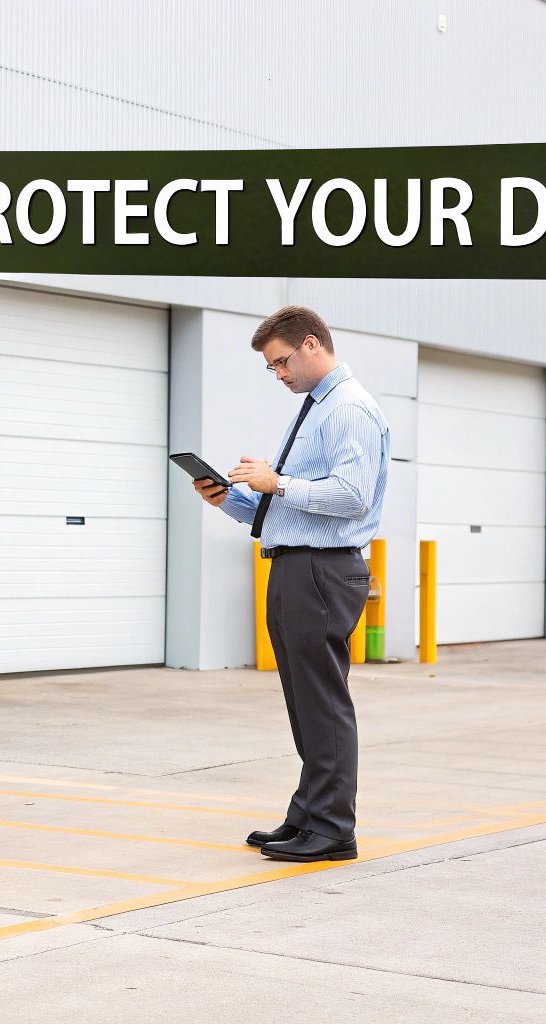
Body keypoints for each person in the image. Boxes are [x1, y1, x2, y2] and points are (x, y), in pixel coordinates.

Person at [192, 305, 389, 863]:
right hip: (297, 564)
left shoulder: (348, 409)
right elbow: (288, 509)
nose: (279, 374)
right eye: (272, 368)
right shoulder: (317, 408)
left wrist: (278, 481)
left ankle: (333, 828)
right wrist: (232, 497)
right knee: (305, 700)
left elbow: (351, 496)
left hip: (322, 570)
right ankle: (309, 814)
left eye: (281, 363)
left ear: (309, 345)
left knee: (323, 701)